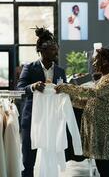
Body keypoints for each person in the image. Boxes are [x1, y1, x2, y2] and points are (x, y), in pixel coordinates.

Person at [55, 48, 109, 177]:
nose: (93, 63)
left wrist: (68, 87)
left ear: (106, 61)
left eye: (96, 60)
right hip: (97, 131)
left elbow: (94, 93)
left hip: (105, 132)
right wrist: (69, 99)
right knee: (103, 168)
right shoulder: (103, 78)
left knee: (107, 169)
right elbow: (88, 102)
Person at [17, 27, 67, 177]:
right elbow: (20, 89)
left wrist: (63, 89)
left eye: (56, 50)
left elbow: (66, 92)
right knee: (28, 162)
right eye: (53, 50)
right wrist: (32, 87)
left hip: (52, 121)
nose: (56, 53)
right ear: (43, 51)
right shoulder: (30, 68)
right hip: (32, 120)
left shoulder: (60, 71)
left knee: (51, 158)